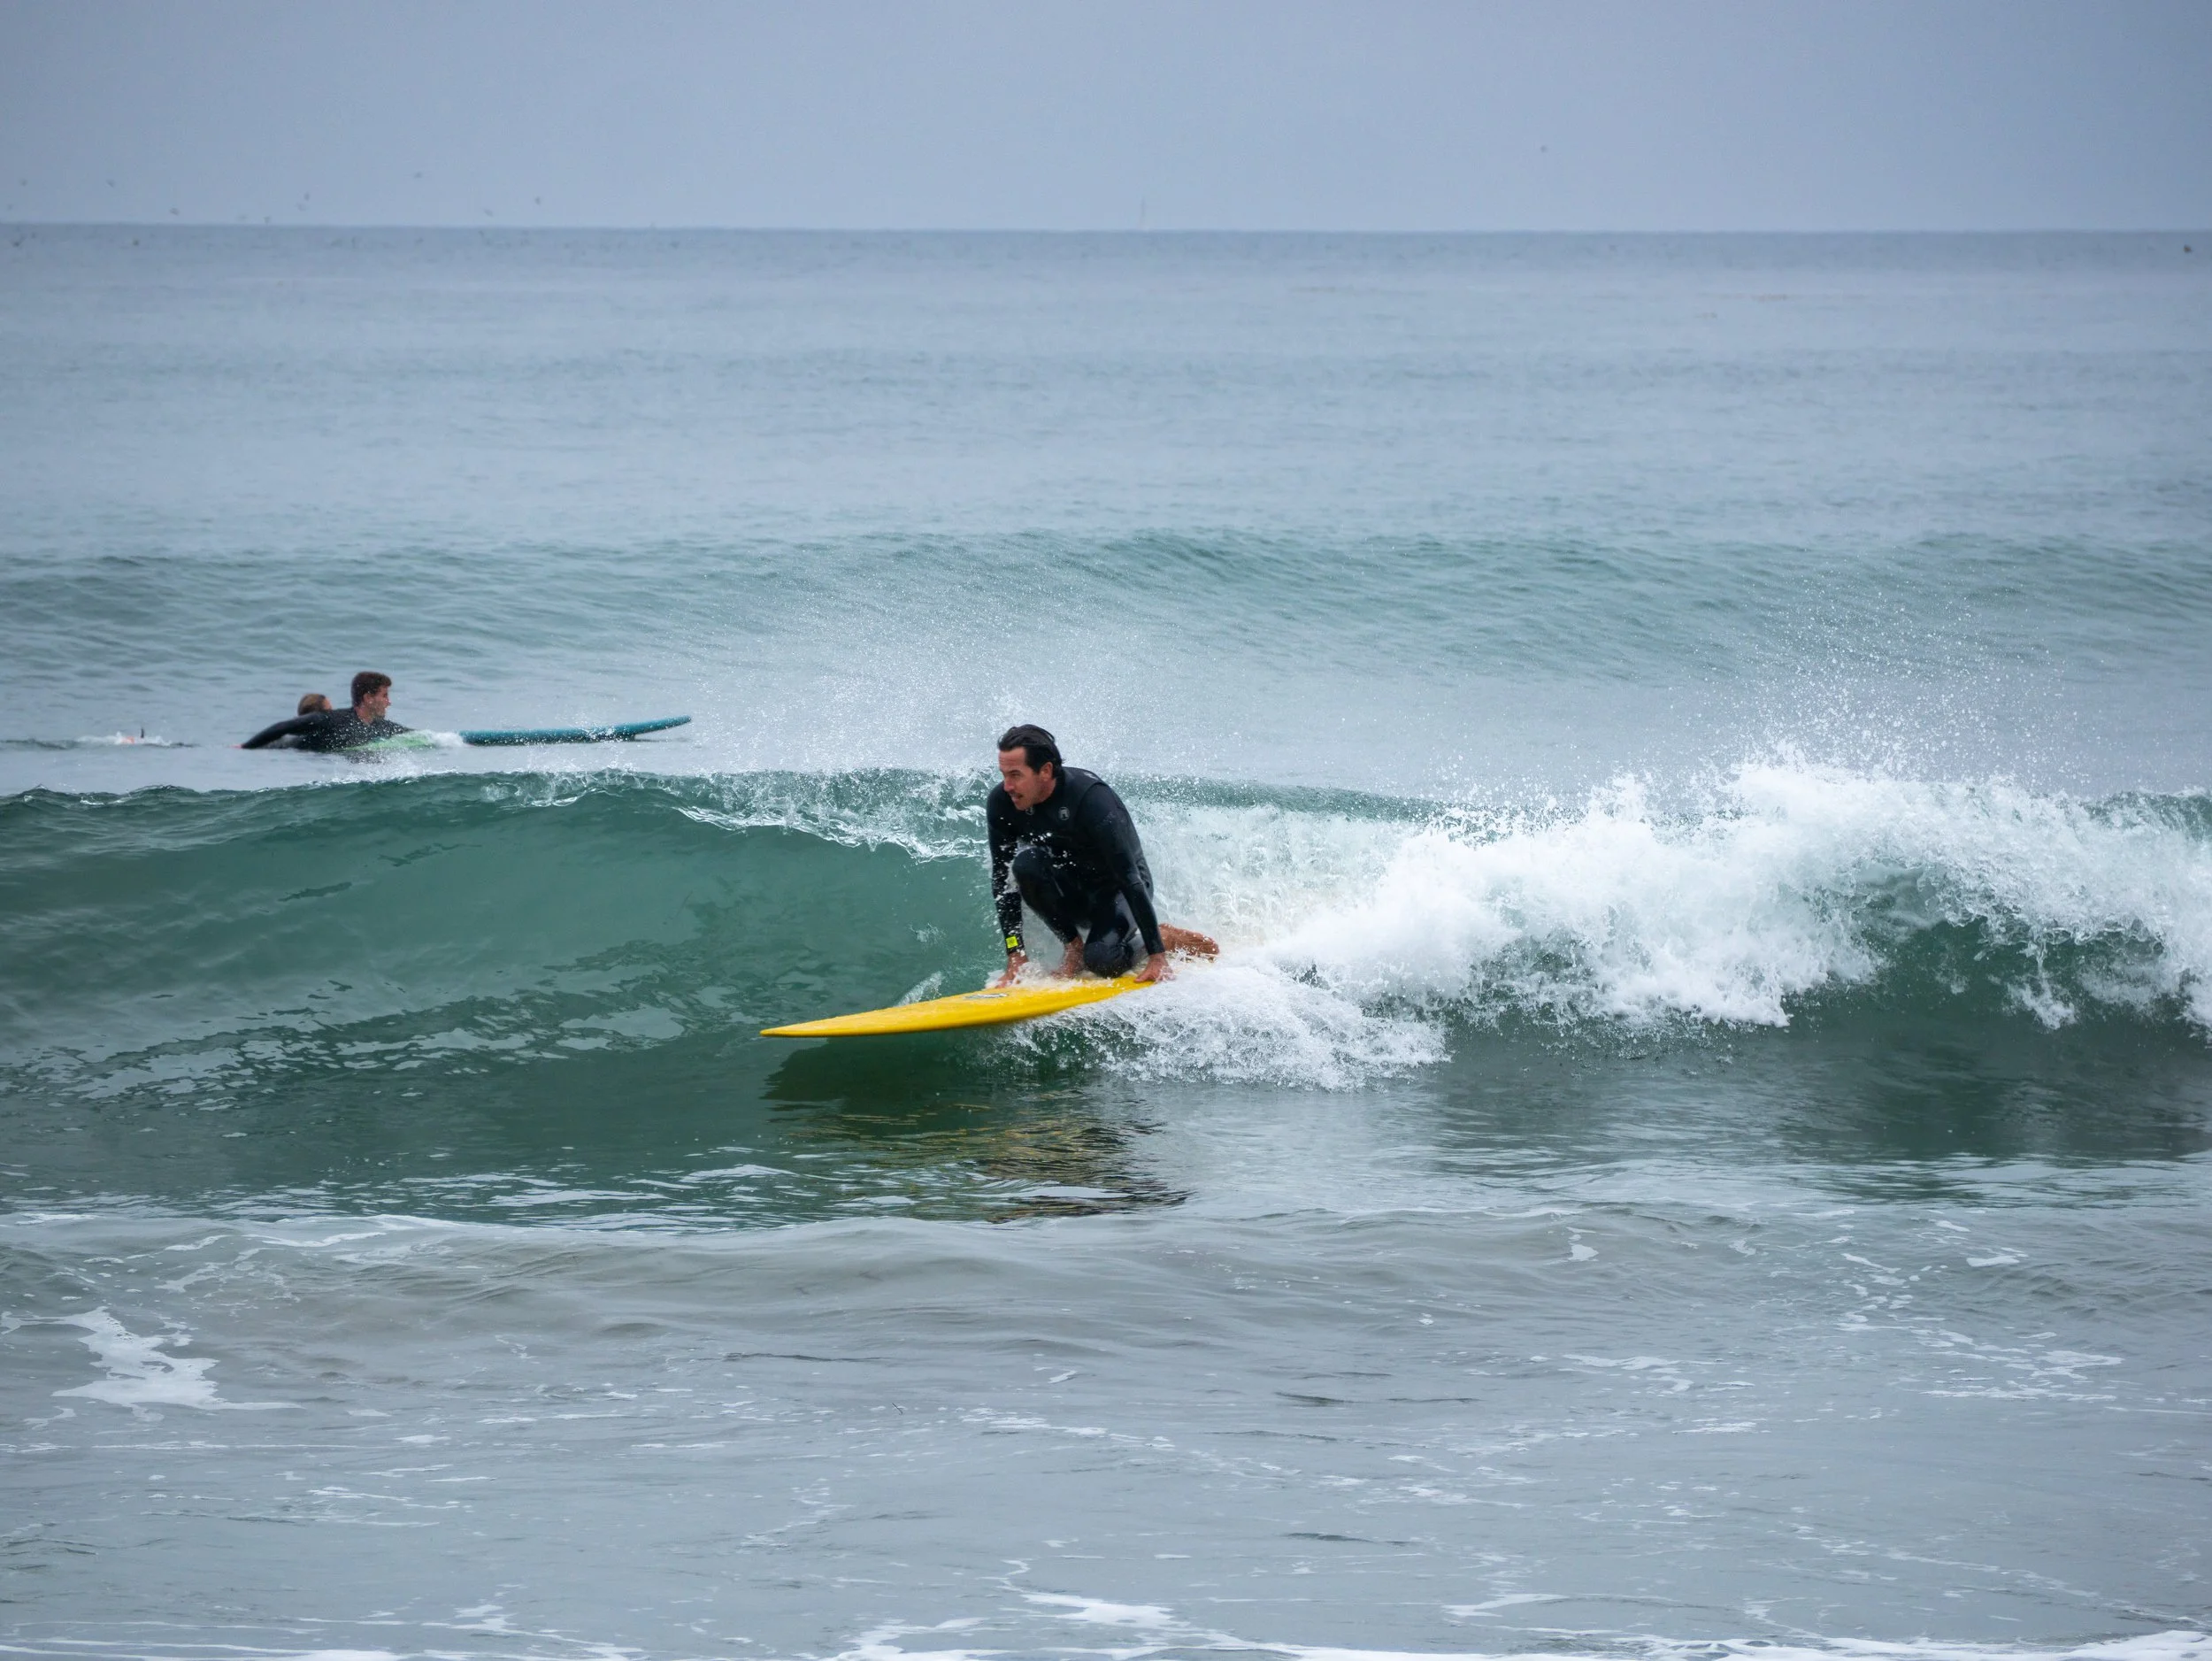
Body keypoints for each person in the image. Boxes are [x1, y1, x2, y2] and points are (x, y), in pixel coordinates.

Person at [987, 723, 1217, 988]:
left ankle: (1163, 938)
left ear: (1045, 771)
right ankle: (1074, 949)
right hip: (1073, 890)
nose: (1007, 786)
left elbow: (1130, 877)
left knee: (1103, 962)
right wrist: (1015, 954)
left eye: (1016, 775)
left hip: (1118, 892)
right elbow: (1002, 882)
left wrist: (1157, 955)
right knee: (1025, 865)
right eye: (1004, 774)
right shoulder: (1002, 803)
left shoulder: (1092, 800)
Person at [241, 672, 409, 752]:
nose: (389, 702)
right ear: (368, 698)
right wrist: (246, 746)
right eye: (385, 696)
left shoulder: (378, 726)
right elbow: (282, 727)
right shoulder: (329, 721)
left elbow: (411, 734)